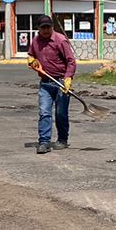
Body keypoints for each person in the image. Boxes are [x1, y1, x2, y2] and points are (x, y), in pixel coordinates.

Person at [26, 15, 77, 154]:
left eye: (48, 27)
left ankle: (62, 140)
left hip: (61, 82)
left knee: (61, 113)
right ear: (38, 28)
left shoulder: (60, 40)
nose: (46, 30)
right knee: (44, 112)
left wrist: (68, 78)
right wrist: (32, 61)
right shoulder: (36, 41)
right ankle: (44, 142)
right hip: (46, 83)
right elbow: (32, 55)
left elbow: (71, 61)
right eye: (43, 28)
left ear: (52, 27)